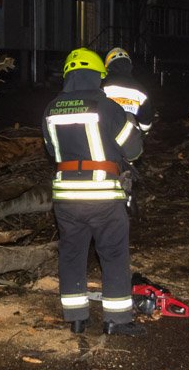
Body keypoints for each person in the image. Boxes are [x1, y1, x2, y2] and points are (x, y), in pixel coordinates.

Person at [42, 47, 145, 337]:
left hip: (66, 198)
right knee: (113, 254)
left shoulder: (51, 109)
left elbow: (51, 150)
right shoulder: (107, 106)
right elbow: (134, 151)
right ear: (97, 75)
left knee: (72, 254)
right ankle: (117, 320)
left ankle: (76, 318)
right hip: (102, 196)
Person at [101, 47, 155, 134]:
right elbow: (145, 125)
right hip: (131, 138)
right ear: (130, 66)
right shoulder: (141, 91)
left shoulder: (102, 87)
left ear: (107, 67)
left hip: (107, 136)